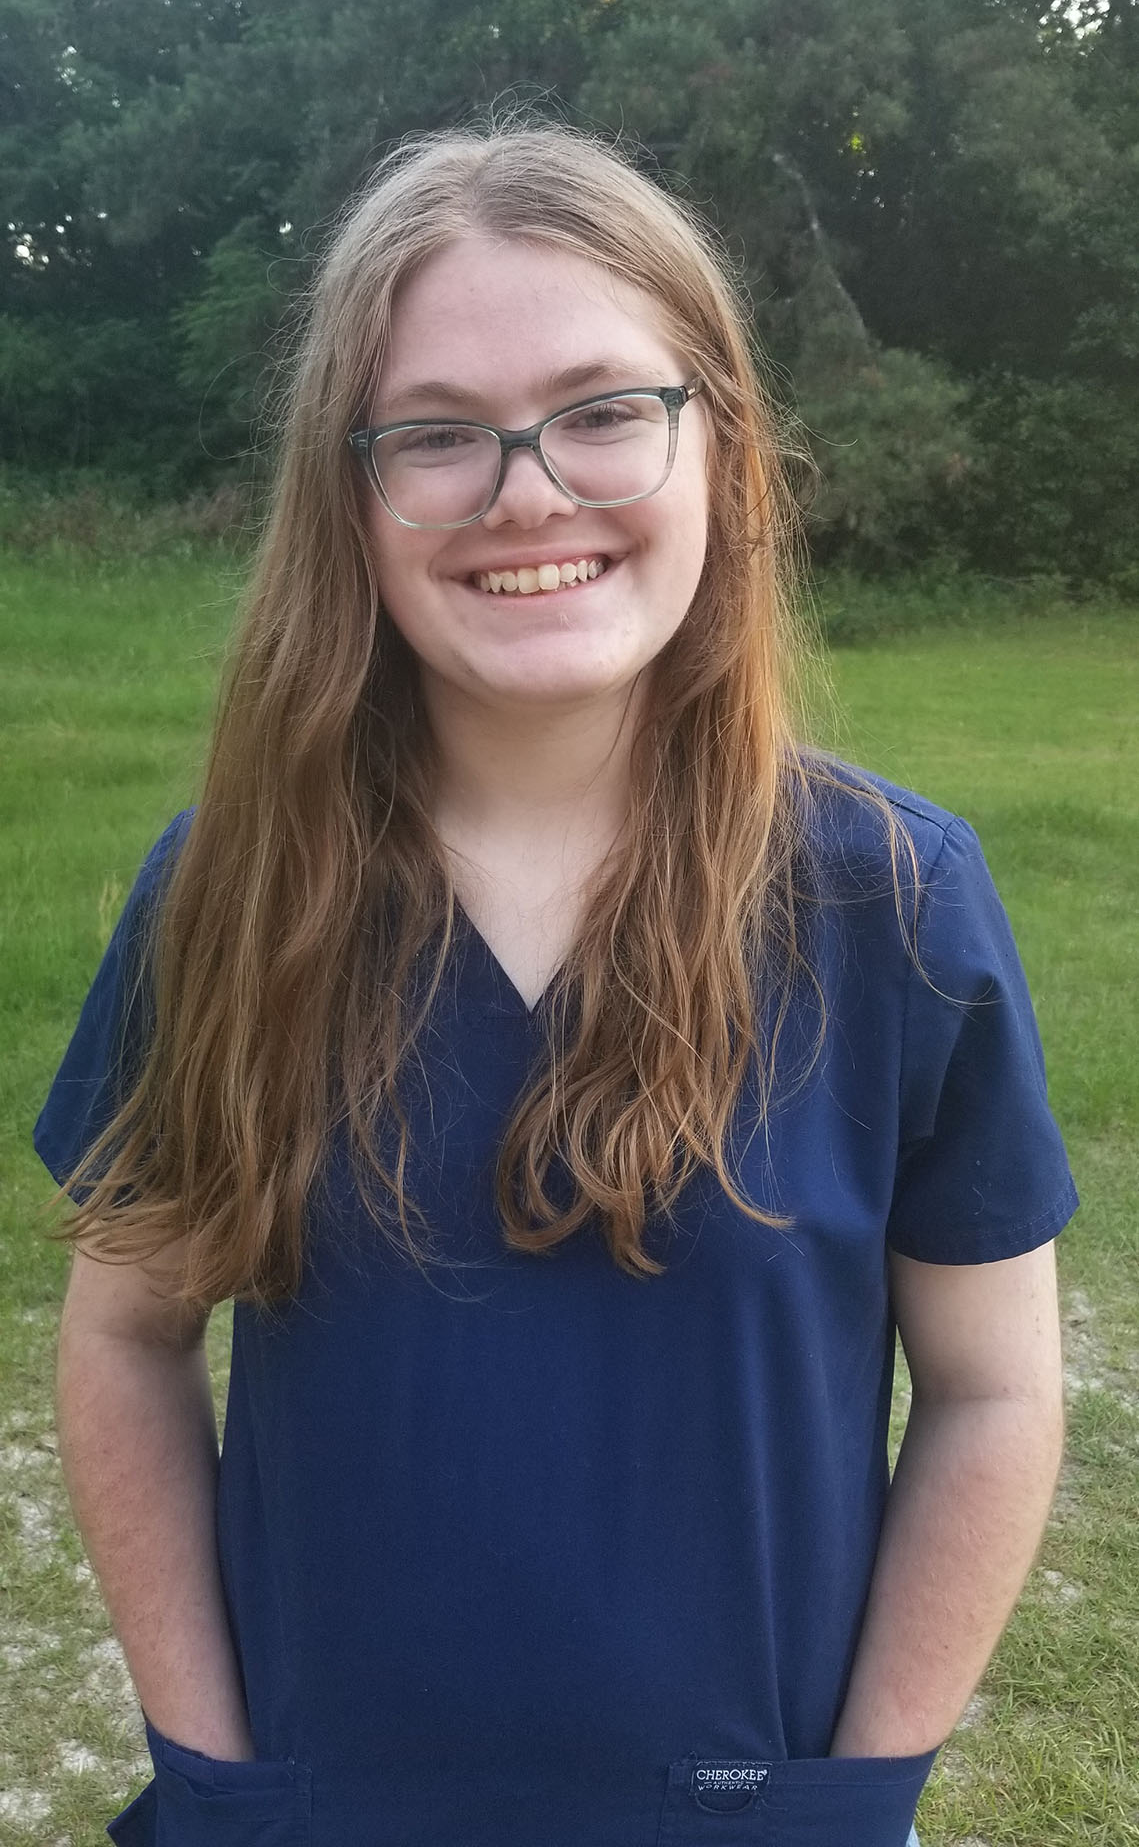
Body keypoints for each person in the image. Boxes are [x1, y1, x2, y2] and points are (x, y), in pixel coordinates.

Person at [35, 116, 1075, 1847]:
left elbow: (995, 1388)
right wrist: (217, 1776)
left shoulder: (894, 901)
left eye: (603, 411)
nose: (528, 490)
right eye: (438, 434)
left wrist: (852, 1799)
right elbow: (126, 1339)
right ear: (351, 499)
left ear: (722, 445)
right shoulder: (231, 893)